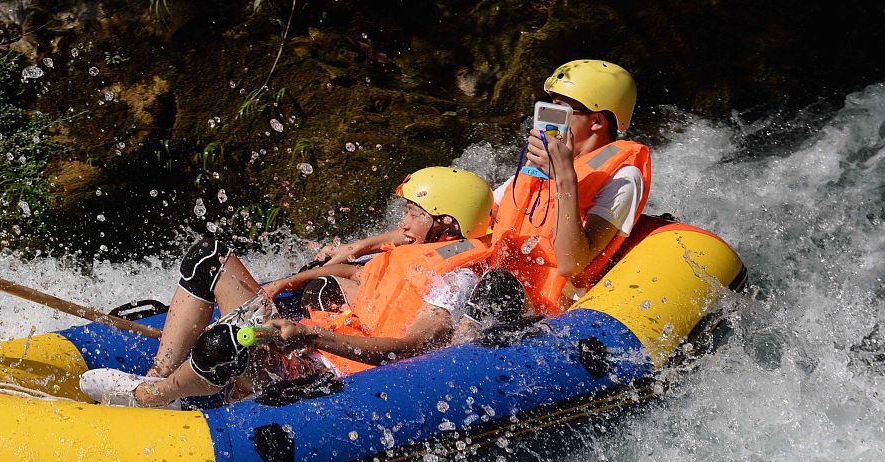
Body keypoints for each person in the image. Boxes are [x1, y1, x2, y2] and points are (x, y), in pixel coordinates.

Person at [79, 166, 495, 408]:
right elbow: (359, 275)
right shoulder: (410, 250)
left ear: (446, 224)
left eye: (412, 213)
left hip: (331, 377)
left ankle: (148, 397)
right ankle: (159, 374)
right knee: (209, 256)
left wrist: (313, 334)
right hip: (316, 347)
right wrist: (287, 281)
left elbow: (413, 346)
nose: (402, 222)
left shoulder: (454, 278)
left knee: (224, 344)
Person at [483, 58, 652, 317]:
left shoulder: (623, 178)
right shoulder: (537, 165)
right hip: (500, 289)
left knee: (497, 288)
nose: (548, 117)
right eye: (549, 105)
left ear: (596, 121)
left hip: (550, 311)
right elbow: (483, 217)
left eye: (561, 109)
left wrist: (564, 177)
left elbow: (571, 263)